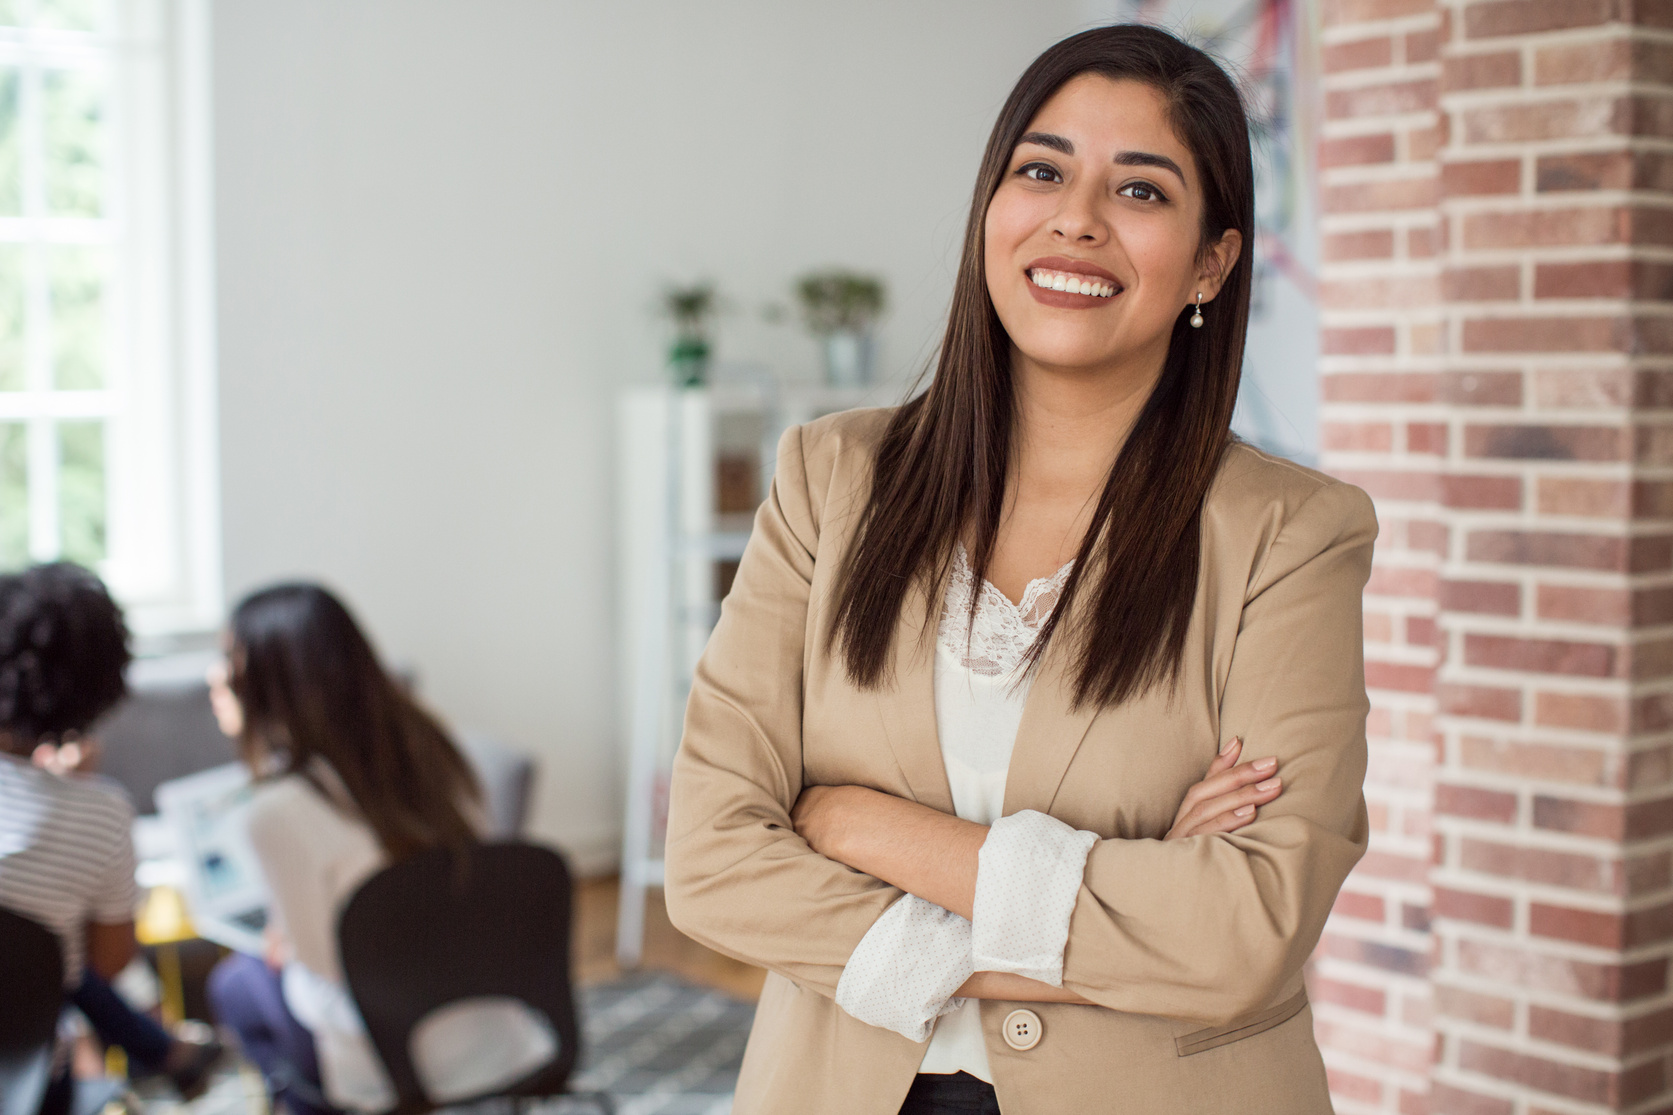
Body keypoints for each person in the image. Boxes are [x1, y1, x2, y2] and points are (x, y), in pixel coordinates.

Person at [663, 24, 1374, 1115]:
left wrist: (858, 827)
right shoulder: (829, 478)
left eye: (1139, 192)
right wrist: (1119, 899)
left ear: (1210, 262)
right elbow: (710, 857)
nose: (1075, 217)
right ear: (990, 209)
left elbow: (1246, 928)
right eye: (1040, 170)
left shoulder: (1290, 534)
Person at [205, 582, 555, 1115]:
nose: (217, 677)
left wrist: (288, 950)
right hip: (497, 1029)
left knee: (236, 984)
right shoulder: (438, 752)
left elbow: (326, 974)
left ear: (260, 684)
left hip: (391, 1059)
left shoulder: (275, 814)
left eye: (228, 661)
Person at [0, 562, 220, 1113]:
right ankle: (168, 1054)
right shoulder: (99, 814)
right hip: (23, 1087)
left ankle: (165, 1053)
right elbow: (109, 962)